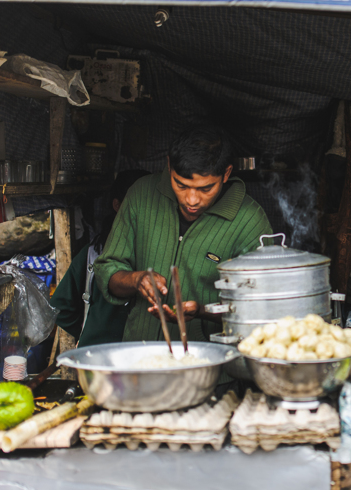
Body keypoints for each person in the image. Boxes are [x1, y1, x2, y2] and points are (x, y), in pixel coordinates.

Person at [94, 124, 273, 343]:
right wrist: (136, 280)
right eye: (181, 185)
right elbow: (107, 271)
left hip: (211, 360)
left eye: (205, 189)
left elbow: (263, 308)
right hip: (140, 353)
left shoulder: (250, 221)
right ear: (169, 166)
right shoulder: (141, 195)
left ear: (226, 173)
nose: (191, 200)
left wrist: (202, 311)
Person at [50, 169, 151, 347]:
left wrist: (90, 332)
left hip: (102, 350)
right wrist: (88, 330)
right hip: (116, 353)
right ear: (117, 205)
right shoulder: (93, 254)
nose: (147, 212)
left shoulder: (94, 251)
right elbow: (60, 307)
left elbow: (61, 308)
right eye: (138, 204)